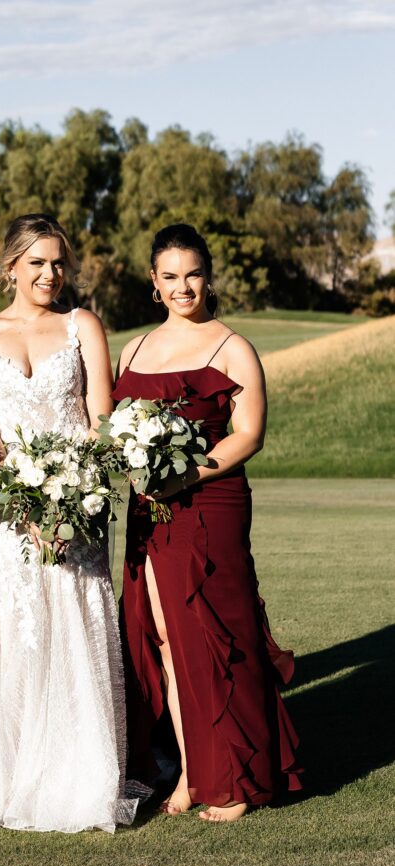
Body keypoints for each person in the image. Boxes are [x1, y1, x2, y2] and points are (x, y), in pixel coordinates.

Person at [0, 214, 139, 833]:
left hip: (80, 507)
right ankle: (9, 774)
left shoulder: (84, 327)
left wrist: (79, 503)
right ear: (11, 268)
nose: (50, 274)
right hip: (10, 510)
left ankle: (84, 777)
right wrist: (25, 510)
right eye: (37, 263)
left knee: (78, 617)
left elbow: (102, 422)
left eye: (58, 262)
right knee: (19, 625)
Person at [113, 223, 302, 822]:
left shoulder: (232, 347)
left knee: (220, 634)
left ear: (208, 276)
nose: (183, 286)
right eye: (170, 276)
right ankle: (194, 773)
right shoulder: (134, 350)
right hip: (149, 511)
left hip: (210, 502)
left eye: (193, 274)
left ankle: (240, 778)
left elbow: (250, 433)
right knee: (166, 638)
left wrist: (187, 476)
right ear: (154, 282)